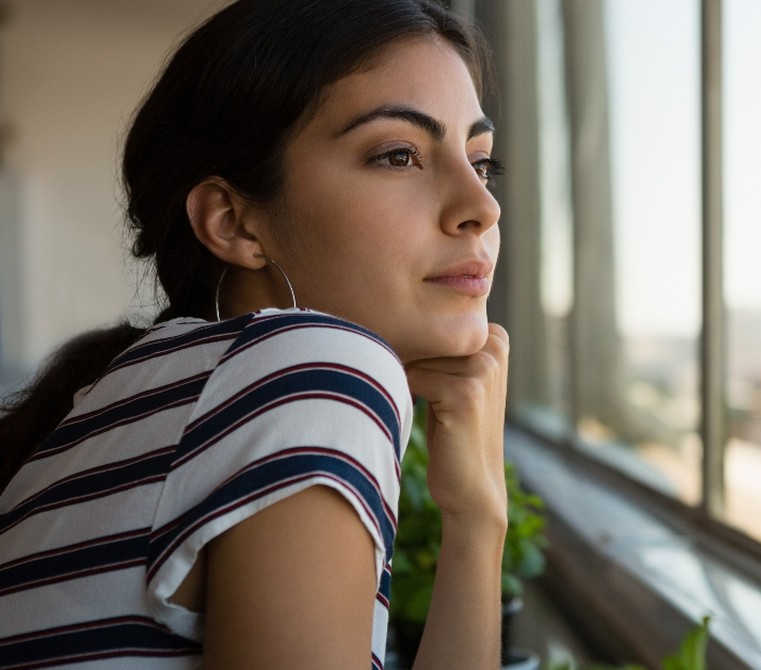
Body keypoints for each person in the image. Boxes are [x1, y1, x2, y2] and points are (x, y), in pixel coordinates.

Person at [0, 0, 508, 667]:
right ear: (234, 223)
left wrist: (476, 518)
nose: (482, 207)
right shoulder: (313, 365)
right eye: (397, 156)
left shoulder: (129, 395)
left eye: (481, 161)